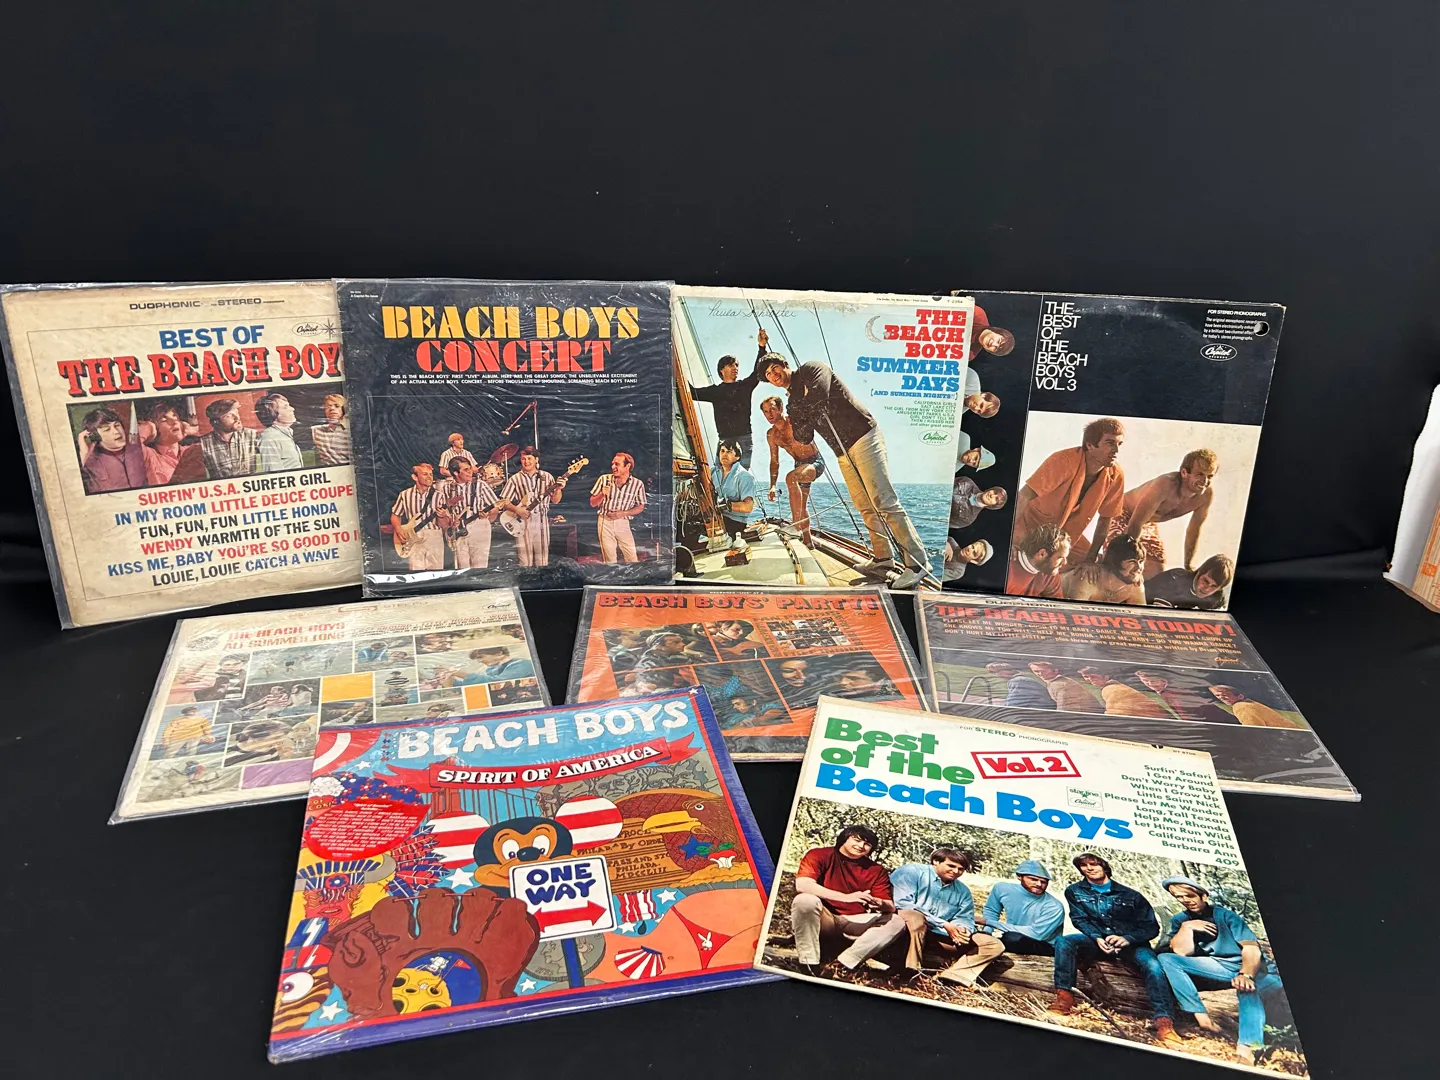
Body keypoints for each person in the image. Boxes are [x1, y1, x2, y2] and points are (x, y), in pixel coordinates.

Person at [761, 351, 930, 589]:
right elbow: (804, 436)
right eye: (768, 374)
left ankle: (917, 564)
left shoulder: (811, 369)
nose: (773, 375)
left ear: (784, 364)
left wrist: (801, 410)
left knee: (883, 501)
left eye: (774, 368)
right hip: (842, 451)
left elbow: (820, 395)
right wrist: (801, 410)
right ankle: (883, 559)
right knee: (864, 505)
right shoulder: (793, 401)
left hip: (863, 436)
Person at [1050, 853, 1180, 1047]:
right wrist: (1096, 937)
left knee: (1153, 966)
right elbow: (1079, 919)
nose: (1089, 868)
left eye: (1094, 864)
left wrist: (1127, 939)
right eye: (1084, 865)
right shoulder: (1074, 891)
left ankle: (1164, 1023)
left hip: (1131, 945)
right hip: (1097, 940)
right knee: (1064, 942)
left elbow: (1151, 928)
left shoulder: (1131, 895)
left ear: (1104, 866)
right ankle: (1064, 998)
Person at [1158, 876, 1285, 1066]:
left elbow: (1251, 949)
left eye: (1190, 895)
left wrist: (1245, 974)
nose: (1185, 900)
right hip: (1220, 966)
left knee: (1247, 988)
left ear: (1203, 896)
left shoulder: (1226, 916)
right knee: (1166, 959)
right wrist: (1187, 927)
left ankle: (1248, 1050)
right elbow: (1182, 952)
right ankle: (1202, 1017)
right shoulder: (1180, 920)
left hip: (1259, 972)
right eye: (1179, 897)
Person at [790, 826, 905, 976]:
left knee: (896, 921)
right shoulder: (819, 854)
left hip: (855, 921)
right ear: (844, 838)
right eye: (856, 840)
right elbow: (803, 885)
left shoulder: (877, 870)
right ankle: (808, 963)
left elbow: (889, 906)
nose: (861, 846)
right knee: (804, 900)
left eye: (867, 844)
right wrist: (847, 897)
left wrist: (879, 903)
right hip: (825, 917)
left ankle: (843, 964)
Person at [1011, 418, 1126, 563]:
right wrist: (1011, 537)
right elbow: (1024, 495)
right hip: (1029, 526)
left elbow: (1105, 519)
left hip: (1065, 538)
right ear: (1090, 445)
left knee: (1097, 565)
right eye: (1110, 443)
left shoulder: (1116, 475)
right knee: (1019, 557)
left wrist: (1090, 559)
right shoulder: (1063, 460)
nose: (1116, 450)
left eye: (1119, 444)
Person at [891, 848, 1004, 985]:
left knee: (993, 944)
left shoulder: (962, 891)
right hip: (906, 929)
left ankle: (951, 978)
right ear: (935, 861)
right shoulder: (911, 872)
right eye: (951, 866)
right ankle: (911, 971)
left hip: (940, 934)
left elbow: (965, 917)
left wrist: (962, 930)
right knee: (916, 918)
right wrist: (943, 924)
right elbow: (902, 903)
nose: (956, 871)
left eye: (961, 869)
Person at [1108, 450, 1218, 579]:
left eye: (1210, 476)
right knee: (1122, 566)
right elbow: (1136, 523)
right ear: (1184, 473)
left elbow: (1193, 531)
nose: (1205, 481)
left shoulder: (1205, 496)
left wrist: (1188, 565)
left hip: (1146, 522)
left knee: (1157, 571)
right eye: (1200, 474)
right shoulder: (1166, 484)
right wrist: (1131, 557)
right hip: (1121, 512)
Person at [688, 332, 766, 468]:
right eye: (731, 365)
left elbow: (758, 372)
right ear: (721, 370)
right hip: (724, 440)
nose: (735, 368)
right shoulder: (715, 391)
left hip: (744, 439)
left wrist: (762, 347)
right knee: (720, 476)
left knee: (741, 475)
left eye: (736, 365)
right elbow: (692, 393)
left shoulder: (744, 386)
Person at [761, 395, 824, 546]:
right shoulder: (771, 435)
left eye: (772, 409)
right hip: (799, 465)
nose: (769, 414)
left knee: (791, 478)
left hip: (815, 461)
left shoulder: (793, 421)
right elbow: (774, 461)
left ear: (781, 408)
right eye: (765, 412)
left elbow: (807, 413)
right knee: (801, 506)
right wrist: (772, 485)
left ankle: (795, 527)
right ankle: (808, 541)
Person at [974, 860, 1065, 957]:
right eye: (1033, 879)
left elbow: (1035, 934)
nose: (1039, 884)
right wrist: (987, 932)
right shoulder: (1002, 889)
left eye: (1043, 882)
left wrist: (988, 922)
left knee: (1011, 938)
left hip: (1044, 944)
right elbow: (992, 911)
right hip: (1014, 936)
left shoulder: (1054, 906)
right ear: (1019, 876)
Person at [500, 446, 567, 567]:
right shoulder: (515, 479)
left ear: (536, 459)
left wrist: (558, 489)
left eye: (529, 458)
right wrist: (517, 510)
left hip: (541, 522)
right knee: (525, 562)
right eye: (523, 459)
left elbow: (556, 500)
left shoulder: (547, 476)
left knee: (542, 561)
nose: (526, 462)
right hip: (522, 522)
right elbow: (504, 501)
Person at [589, 451, 647, 563]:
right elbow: (592, 503)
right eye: (612, 464)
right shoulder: (604, 479)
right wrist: (602, 494)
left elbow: (640, 506)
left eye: (617, 464)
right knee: (609, 559)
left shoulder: (638, 484)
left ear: (628, 466)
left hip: (623, 523)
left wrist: (623, 513)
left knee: (632, 558)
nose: (613, 467)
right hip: (605, 522)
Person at [444, 459, 499, 570]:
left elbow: (495, 507)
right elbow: (445, 511)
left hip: (479, 526)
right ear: (456, 473)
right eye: (466, 470)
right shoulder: (447, 488)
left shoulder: (480, 485)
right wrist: (450, 520)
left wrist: (488, 515)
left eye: (470, 469)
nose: (470, 472)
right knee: (461, 566)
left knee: (480, 566)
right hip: (458, 530)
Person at [1061, 533, 1147, 605]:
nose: (1139, 567)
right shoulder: (1088, 577)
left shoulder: (1135, 584)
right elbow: (1072, 614)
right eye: (1132, 562)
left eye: (1141, 561)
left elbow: (1140, 617)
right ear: (1114, 562)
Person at [390, 463, 445, 571]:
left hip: (434, 536)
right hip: (412, 537)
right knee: (416, 572)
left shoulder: (439, 495)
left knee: (436, 573)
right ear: (415, 477)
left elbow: (444, 524)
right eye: (425, 474)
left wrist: (443, 516)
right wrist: (398, 530)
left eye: (431, 474)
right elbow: (395, 516)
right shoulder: (405, 495)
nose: (429, 477)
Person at [79, 407, 147, 493]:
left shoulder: (139, 449)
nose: (116, 431)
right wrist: (84, 457)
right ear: (96, 436)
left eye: (117, 425)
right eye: (107, 429)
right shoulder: (88, 459)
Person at [1133, 670, 1238, 724]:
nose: (1149, 684)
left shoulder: (1172, 693)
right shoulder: (1169, 690)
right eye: (1145, 681)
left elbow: (1188, 714)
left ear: (1163, 680)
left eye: (1152, 681)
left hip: (1216, 722)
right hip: (1217, 720)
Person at [709, 438, 759, 540]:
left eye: (729, 452)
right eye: (722, 451)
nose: (724, 454)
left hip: (734, 523)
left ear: (737, 456)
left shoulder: (744, 477)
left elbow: (748, 507)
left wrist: (725, 505)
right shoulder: (712, 472)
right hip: (715, 518)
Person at [1077, 667, 1175, 719]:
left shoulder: (1112, 689)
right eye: (1086, 677)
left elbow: (1116, 715)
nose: (1089, 680)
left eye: (1093, 677)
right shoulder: (1113, 687)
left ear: (1106, 677)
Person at [198, 398, 261, 479]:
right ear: (216, 422)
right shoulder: (203, 443)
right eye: (229, 416)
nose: (237, 418)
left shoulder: (252, 435)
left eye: (237, 413)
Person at [142, 402, 202, 485]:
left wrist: (194, 430)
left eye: (175, 417)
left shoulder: (193, 451)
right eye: (164, 420)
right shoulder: (149, 456)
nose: (174, 422)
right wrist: (149, 427)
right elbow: (133, 445)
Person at [1006, 523, 1071, 598]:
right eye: (1060, 558)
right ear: (1042, 554)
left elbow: (1057, 603)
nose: (1065, 562)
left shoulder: (1049, 571)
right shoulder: (1008, 569)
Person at [1146, 555, 1234, 610]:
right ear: (1199, 572)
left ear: (1219, 588)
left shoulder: (1217, 598)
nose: (1207, 589)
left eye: (1214, 586)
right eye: (1205, 581)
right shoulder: (1174, 579)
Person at [1207, 685, 1303, 728]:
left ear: (1240, 696)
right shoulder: (1250, 703)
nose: (1222, 698)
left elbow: (1254, 729)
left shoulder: (1241, 707)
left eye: (1225, 694)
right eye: (1218, 695)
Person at [255, 392, 304, 472]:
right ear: (273, 414)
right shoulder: (269, 438)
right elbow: (273, 473)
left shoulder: (286, 434)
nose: (292, 409)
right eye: (285, 407)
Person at [1028, 661, 1103, 713]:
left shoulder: (1061, 685)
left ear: (1055, 671)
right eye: (1036, 671)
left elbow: (1064, 710)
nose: (1040, 674)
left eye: (1044, 671)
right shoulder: (1056, 682)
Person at [986, 661, 1054, 709]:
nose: (996, 675)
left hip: (1040, 711)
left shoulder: (1017, 681)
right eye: (992, 673)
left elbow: (1013, 704)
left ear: (1007, 670)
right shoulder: (1021, 678)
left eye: (996, 672)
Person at [310, 393, 351, 466]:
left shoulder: (352, 430)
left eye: (337, 406)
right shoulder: (316, 430)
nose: (332, 408)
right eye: (328, 406)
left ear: (344, 409)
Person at [636, 631, 709, 669]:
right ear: (658, 646)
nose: (683, 644)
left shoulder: (680, 657)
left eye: (681, 641)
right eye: (676, 642)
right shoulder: (647, 662)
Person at [834, 661, 898, 702]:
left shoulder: (892, 699)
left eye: (853, 678)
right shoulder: (837, 694)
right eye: (840, 677)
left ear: (878, 680)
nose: (843, 682)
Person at [463, 646, 534, 682]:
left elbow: (496, 681)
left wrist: (464, 675)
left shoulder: (521, 664)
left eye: (480, 657)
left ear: (499, 653)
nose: (479, 661)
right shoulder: (492, 668)